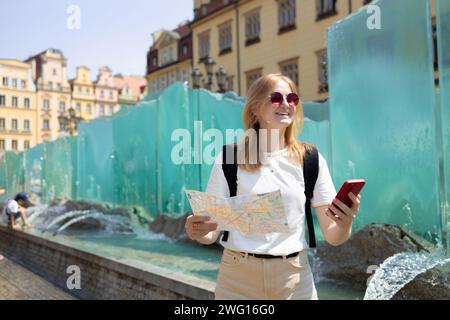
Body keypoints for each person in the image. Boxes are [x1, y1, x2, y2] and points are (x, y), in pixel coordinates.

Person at [185, 73, 361, 300]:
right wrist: (198, 231)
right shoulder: (229, 157)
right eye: (276, 98)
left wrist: (345, 224)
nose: (287, 104)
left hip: (295, 280)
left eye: (293, 98)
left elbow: (334, 236)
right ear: (255, 109)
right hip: (237, 279)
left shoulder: (311, 159)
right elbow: (211, 232)